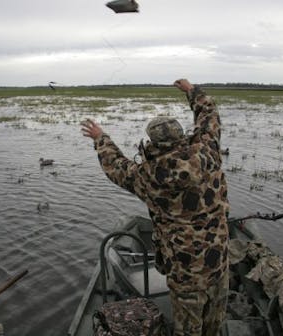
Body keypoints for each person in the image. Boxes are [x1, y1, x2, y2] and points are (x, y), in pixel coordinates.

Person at [81, 79, 229, 336]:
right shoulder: (208, 151)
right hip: (218, 262)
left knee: (188, 328)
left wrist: (100, 138)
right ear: (181, 135)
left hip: (184, 273)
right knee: (214, 324)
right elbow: (209, 116)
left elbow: (116, 167)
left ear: (153, 143)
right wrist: (191, 91)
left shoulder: (147, 178)